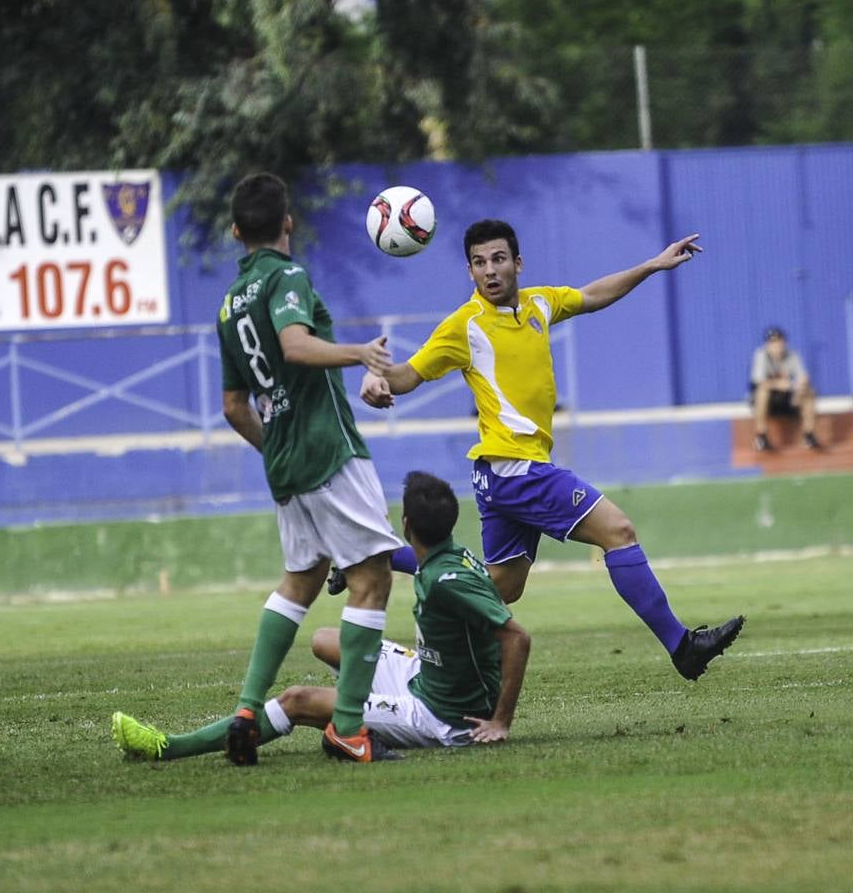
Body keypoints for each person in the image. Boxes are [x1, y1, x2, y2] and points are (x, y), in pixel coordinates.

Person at [358, 219, 744, 681]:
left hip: (509, 473)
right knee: (618, 531)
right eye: (479, 263)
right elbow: (408, 375)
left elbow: (594, 294)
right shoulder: (465, 326)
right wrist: (376, 378)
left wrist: (652, 265)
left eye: (498, 259)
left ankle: (370, 555)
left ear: (517, 263)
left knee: (502, 586)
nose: (490, 271)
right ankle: (682, 646)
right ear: (470, 272)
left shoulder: (540, 302)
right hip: (515, 470)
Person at [112, 471, 531, 761]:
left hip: (444, 716)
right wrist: (351, 566)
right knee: (327, 640)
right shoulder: (444, 559)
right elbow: (402, 559)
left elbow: (517, 638)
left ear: (405, 523)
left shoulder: (447, 580)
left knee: (297, 700)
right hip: (425, 676)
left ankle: (171, 746)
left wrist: (500, 721)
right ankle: (360, 712)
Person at [215, 172, 405, 764]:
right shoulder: (287, 275)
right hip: (327, 448)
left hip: (285, 460)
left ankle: (248, 708)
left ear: (235, 230)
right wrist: (359, 353)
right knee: (372, 579)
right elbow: (296, 345)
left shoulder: (227, 305)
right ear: (288, 223)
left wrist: (274, 448)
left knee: (301, 579)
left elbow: (232, 406)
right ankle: (349, 729)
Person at [750, 326, 820, 451]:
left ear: (784, 342)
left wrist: (799, 386)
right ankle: (761, 437)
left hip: (789, 399)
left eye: (779, 341)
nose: (776, 345)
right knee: (762, 393)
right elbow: (759, 381)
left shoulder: (792, 355)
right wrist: (779, 384)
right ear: (767, 344)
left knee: (809, 391)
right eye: (773, 342)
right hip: (770, 402)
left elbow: (802, 376)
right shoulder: (761, 355)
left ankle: (808, 435)